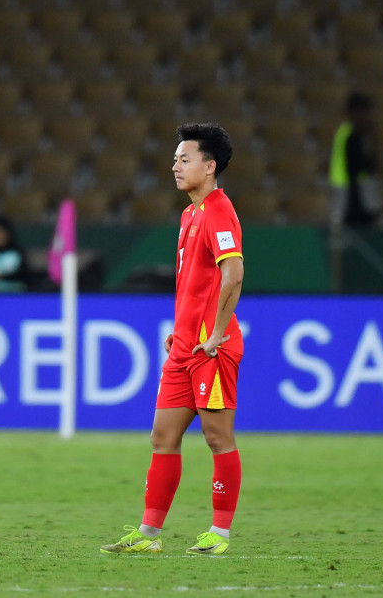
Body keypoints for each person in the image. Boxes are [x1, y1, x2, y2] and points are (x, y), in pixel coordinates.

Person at [101, 122, 244, 557]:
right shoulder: (189, 214)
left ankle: (219, 534)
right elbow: (197, 284)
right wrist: (181, 328)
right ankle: (149, 534)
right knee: (162, 437)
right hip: (185, 344)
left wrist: (215, 333)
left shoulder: (219, 210)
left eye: (184, 159)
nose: (175, 167)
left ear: (209, 165)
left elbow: (233, 273)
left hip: (210, 347)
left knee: (218, 438)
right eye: (175, 160)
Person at [330, 92, 378, 228]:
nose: (367, 116)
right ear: (354, 112)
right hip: (347, 194)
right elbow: (358, 167)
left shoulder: (360, 134)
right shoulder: (349, 135)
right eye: (364, 112)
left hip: (356, 194)